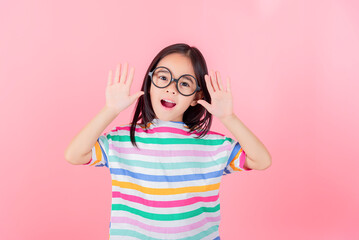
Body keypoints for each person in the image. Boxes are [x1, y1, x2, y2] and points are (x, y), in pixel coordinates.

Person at [65, 43, 272, 240]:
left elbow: (261, 160)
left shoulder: (214, 145)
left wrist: (229, 117)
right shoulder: (122, 140)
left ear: (196, 96)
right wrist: (110, 110)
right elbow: (74, 155)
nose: (171, 88)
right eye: (163, 78)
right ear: (150, 84)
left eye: (184, 83)